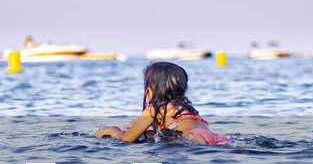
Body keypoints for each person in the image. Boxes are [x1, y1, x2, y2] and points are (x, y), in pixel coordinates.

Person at [96, 61, 228, 145]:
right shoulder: (185, 109)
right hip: (215, 138)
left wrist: (114, 131)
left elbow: (127, 139)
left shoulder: (153, 110)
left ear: (150, 90)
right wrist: (141, 130)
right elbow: (171, 131)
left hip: (190, 139)